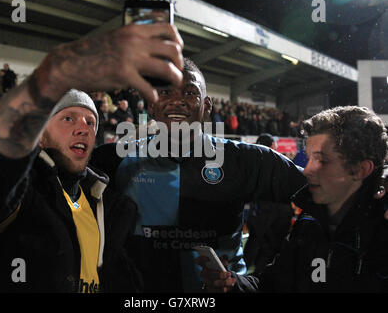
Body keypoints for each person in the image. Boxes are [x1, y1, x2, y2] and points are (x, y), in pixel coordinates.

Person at [0, 0, 185, 292]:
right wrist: (55, 76)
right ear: (40, 133)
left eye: (90, 122)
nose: (82, 128)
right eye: (68, 119)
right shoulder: (17, 195)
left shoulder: (109, 203)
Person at [90, 57, 306, 292]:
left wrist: (262, 281)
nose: (177, 101)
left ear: (207, 106)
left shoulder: (245, 160)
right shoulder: (113, 159)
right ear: (150, 105)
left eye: (190, 93)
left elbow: (324, 194)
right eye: (165, 92)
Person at [201, 106, 388, 292]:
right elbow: (274, 285)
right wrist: (234, 284)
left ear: (361, 170)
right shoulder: (311, 222)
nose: (306, 170)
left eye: (322, 160)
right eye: (309, 159)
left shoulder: (379, 233)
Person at [244, 133, 294, 275]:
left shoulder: (251, 164)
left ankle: (241, 278)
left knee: (254, 246)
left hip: (258, 212)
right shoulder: (279, 163)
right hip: (273, 213)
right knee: (267, 250)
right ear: (272, 146)